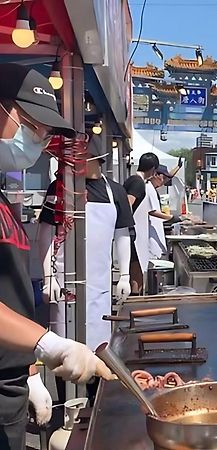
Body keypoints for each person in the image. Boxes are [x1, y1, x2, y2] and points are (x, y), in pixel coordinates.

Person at [0, 63, 113, 449]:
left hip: (9, 382)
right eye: (34, 126)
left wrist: (27, 369)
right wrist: (51, 345)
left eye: (45, 133)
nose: (41, 140)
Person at [39, 134, 134, 350]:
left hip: (99, 284)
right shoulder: (59, 188)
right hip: (64, 282)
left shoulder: (116, 191)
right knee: (64, 349)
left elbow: (122, 234)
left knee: (98, 348)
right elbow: (45, 234)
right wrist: (48, 277)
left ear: (95, 158)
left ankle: (95, 384)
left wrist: (124, 275)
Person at [123, 152, 159, 295]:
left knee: (134, 264)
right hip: (131, 230)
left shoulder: (132, 179)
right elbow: (128, 203)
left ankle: (134, 294)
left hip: (128, 229)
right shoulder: (138, 182)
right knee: (136, 264)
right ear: (152, 168)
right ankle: (135, 296)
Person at [147, 165, 181, 261]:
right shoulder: (148, 188)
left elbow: (168, 177)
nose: (164, 181)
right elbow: (152, 211)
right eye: (163, 177)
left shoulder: (153, 188)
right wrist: (171, 218)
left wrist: (178, 167)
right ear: (155, 175)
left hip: (156, 231)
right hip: (150, 235)